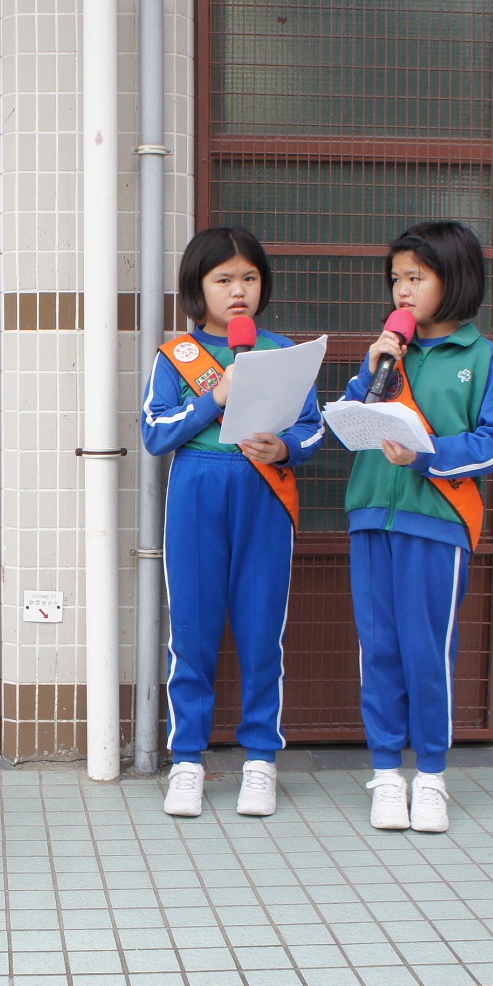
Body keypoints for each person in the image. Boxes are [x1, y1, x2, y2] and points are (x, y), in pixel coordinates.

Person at [345, 221, 493, 834]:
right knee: (379, 649)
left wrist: (429, 455)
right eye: (396, 278)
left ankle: (430, 777)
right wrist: (371, 371)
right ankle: (385, 774)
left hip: (438, 524)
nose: (402, 290)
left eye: (416, 278)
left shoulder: (482, 358)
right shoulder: (386, 353)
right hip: (372, 515)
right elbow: (355, 418)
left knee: (427, 651)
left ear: (456, 279)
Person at [141, 227, 325, 819]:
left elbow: (313, 428)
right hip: (196, 493)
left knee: (260, 632)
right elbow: (154, 433)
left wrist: (285, 448)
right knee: (192, 633)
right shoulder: (177, 355)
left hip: (264, 496)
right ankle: (187, 761)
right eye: (223, 279)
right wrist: (213, 398)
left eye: (249, 277)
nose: (238, 290)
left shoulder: (283, 353)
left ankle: (261, 761)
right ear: (198, 288)